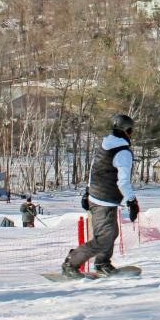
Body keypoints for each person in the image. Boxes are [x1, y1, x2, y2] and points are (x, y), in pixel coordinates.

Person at [61, 114, 140, 278]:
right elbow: (123, 182)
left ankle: (102, 263)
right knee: (103, 238)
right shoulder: (122, 152)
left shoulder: (106, 145)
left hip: (100, 197)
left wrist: (87, 191)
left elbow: (94, 169)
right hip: (104, 200)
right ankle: (71, 262)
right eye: (131, 130)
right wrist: (132, 202)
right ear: (127, 131)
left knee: (111, 233)